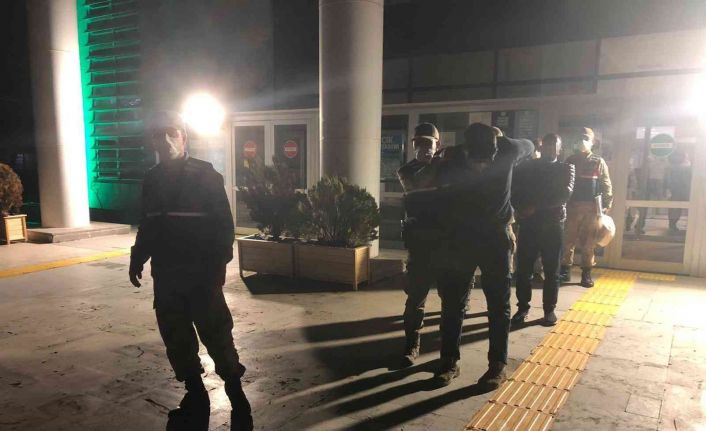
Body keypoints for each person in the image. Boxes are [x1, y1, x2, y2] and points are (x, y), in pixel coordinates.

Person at [129, 111, 253, 431]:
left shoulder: (205, 175)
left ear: (183, 138)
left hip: (201, 274)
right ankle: (194, 388)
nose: (165, 140)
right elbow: (149, 223)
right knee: (176, 335)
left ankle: (234, 387)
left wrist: (217, 268)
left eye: (172, 133)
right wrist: (137, 257)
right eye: (159, 135)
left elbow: (224, 227)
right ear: (153, 141)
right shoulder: (152, 179)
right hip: (166, 276)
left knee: (217, 332)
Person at [405, 123, 533, 388]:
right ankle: (448, 362)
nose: (482, 166)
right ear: (467, 151)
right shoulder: (453, 158)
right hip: (460, 238)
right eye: (477, 162)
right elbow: (420, 186)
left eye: (488, 161)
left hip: (496, 239)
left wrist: (503, 138)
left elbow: (530, 146)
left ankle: (497, 365)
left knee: (498, 305)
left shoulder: (508, 149)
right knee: (453, 304)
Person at [511, 134, 575, 326]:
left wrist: (534, 206)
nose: (550, 148)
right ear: (541, 146)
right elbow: (515, 190)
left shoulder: (566, 168)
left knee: (552, 271)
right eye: (546, 145)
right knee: (523, 270)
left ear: (560, 149)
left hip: (552, 225)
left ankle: (549, 310)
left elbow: (563, 195)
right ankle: (523, 307)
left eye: (554, 145)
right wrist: (520, 208)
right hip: (529, 224)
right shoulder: (527, 167)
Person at [397, 123, 440, 367]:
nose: (425, 148)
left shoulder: (446, 167)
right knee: (415, 298)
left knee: (453, 300)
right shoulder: (406, 170)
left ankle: (447, 349)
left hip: (446, 242)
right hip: (420, 243)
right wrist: (439, 164)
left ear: (437, 145)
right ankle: (411, 344)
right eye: (420, 144)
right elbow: (416, 185)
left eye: (429, 143)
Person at [560, 127, 612, 288]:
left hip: (591, 209)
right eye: (580, 138)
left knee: (589, 243)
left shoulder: (598, 161)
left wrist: (607, 204)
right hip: (572, 207)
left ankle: (586, 273)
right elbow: (563, 183)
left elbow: (606, 184)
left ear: (592, 142)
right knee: (568, 241)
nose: (583, 141)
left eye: (586, 138)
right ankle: (565, 271)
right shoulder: (570, 160)